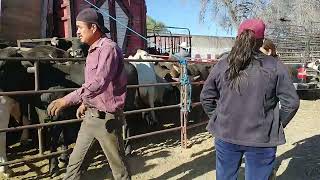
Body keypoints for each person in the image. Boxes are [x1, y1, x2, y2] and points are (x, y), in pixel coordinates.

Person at [200, 19, 300, 180]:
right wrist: (276, 124)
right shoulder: (274, 66)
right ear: (261, 40)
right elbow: (292, 102)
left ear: (238, 36)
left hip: (226, 134)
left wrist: (219, 118)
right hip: (261, 139)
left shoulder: (222, 64)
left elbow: (206, 97)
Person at [47, 8, 130, 180]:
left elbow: (99, 83)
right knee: (74, 167)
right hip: (90, 117)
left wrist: (67, 100)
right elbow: (93, 86)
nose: (76, 32)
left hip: (108, 119)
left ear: (93, 28)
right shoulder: (92, 50)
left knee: (119, 170)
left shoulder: (109, 49)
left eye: (80, 27)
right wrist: (85, 103)